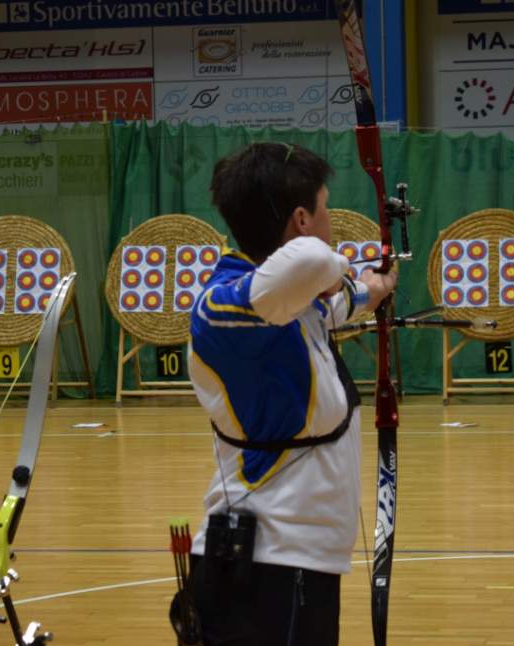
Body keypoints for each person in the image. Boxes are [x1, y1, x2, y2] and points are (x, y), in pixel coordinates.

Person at [184, 142, 397, 646]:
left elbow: (333, 304)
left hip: (294, 565)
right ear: (302, 219)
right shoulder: (225, 308)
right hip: (263, 572)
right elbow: (311, 263)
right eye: (325, 209)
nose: (331, 224)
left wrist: (374, 287)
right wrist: (341, 269)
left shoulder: (285, 305)